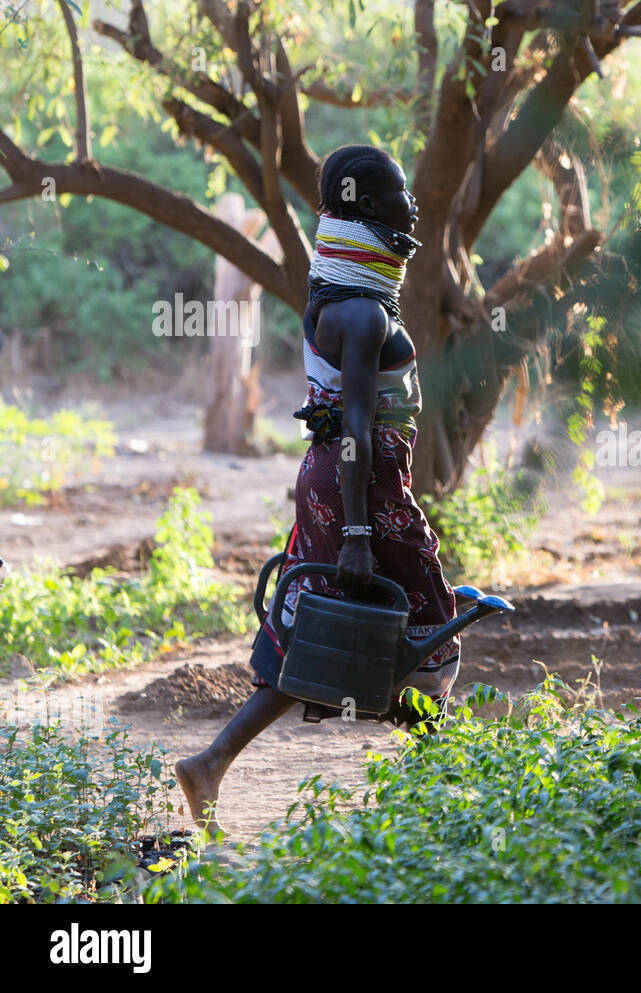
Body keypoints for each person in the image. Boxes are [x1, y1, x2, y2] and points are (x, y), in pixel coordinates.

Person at [175, 145, 462, 835]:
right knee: (428, 628)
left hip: (340, 480)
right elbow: (359, 425)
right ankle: (443, 791)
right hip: (358, 484)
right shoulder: (362, 313)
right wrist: (360, 533)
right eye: (398, 191)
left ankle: (213, 762)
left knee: (331, 622)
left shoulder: (339, 295)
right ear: (366, 202)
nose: (411, 202)